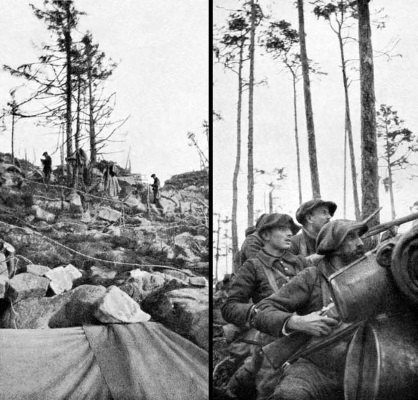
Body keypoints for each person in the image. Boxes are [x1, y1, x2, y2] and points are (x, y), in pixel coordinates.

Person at [250, 219, 368, 400]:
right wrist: (295, 322)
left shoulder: (372, 273)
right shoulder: (312, 276)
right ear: (333, 244)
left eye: (359, 236)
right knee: (290, 395)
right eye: (350, 237)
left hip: (367, 364)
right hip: (317, 368)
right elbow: (262, 310)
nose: (360, 243)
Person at [221, 213, 310, 399]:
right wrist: (255, 313)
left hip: (306, 332)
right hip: (272, 338)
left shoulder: (301, 263)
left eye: (290, 231)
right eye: (282, 229)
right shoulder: (252, 266)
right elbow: (230, 306)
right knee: (270, 389)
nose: (289, 234)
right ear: (266, 235)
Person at [290, 199, 337, 264]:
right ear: (309, 218)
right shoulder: (293, 244)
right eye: (324, 212)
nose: (329, 216)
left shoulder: (336, 239)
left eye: (328, 213)